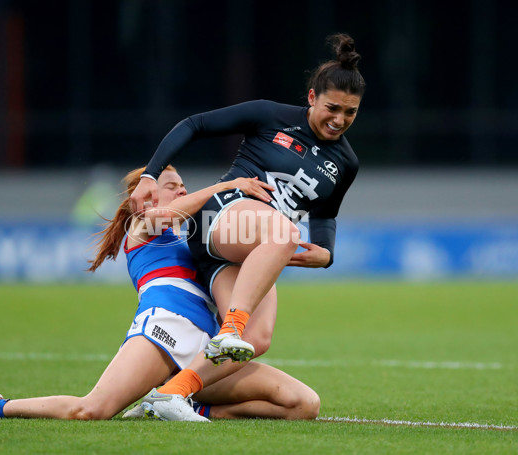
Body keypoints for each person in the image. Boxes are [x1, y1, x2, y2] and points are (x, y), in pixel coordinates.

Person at [0, 166, 320, 421]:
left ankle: (170, 401)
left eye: (184, 185)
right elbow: (174, 213)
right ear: (145, 196)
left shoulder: (203, 241)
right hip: (165, 330)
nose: (182, 191)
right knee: (90, 410)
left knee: (302, 404)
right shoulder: (143, 228)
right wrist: (228, 186)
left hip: (206, 350)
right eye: (171, 186)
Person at [130, 33, 366, 418]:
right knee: (285, 233)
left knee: (256, 339)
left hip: (249, 249)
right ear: (311, 98)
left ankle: (171, 395)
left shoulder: (346, 162)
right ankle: (228, 330)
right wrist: (151, 175)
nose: (339, 120)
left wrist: (327, 253)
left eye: (351, 113)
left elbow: (325, 213)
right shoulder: (270, 115)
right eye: (332, 108)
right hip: (220, 216)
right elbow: (194, 125)